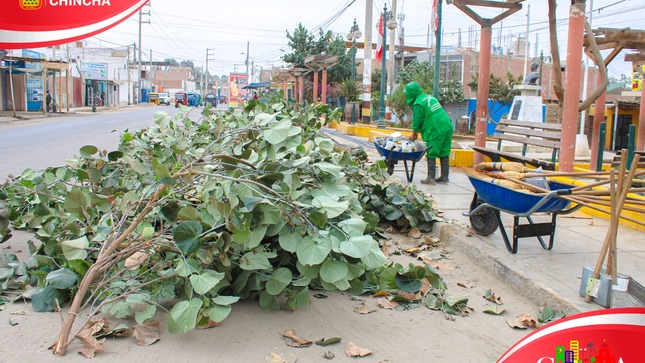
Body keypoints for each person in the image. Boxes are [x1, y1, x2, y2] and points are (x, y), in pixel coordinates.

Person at [406, 81, 453, 184]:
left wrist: (414, 135)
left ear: (410, 94)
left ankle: (431, 178)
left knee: (431, 151)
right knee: (444, 151)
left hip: (436, 128)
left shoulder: (418, 103)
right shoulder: (428, 97)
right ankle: (444, 177)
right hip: (447, 126)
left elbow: (416, 122)